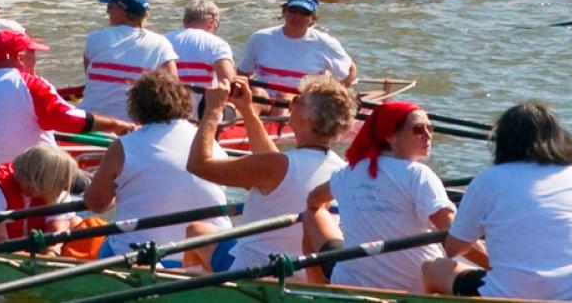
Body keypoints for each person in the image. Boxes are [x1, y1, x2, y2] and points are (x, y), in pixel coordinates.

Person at [422, 102, 572, 302]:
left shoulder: (489, 180)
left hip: (511, 296)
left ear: (503, 142)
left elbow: (453, 249)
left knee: (433, 268)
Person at [185, 76, 355, 275]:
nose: (290, 106)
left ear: (310, 117)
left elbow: (198, 165)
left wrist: (212, 110)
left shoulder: (277, 166)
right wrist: (246, 109)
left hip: (251, 271)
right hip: (302, 275)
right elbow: (272, 162)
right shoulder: (342, 169)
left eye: (296, 101)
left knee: (195, 233)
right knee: (200, 232)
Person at [303, 101, 470, 289]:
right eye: (418, 130)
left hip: (350, 283)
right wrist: (491, 266)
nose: (428, 135)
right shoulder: (418, 174)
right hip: (416, 287)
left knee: (310, 214)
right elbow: (456, 235)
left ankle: (316, 288)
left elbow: (313, 200)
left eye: (430, 128)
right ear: (390, 136)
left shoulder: (349, 171)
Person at [85, 69, 230, 260]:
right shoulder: (209, 142)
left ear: (136, 107)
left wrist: (120, 190)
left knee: (98, 234)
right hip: (207, 257)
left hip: (138, 255)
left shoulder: (122, 146)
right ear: (185, 101)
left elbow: (96, 204)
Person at [0, 28, 135, 180]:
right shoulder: (30, 84)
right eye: (32, 52)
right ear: (19, 57)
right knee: (108, 185)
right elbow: (69, 120)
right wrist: (118, 125)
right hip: (30, 178)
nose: (36, 59)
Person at [0, 144, 81, 246]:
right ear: (40, 179)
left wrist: (51, 253)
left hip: (30, 247)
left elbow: (57, 227)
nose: (63, 186)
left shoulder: (55, 189)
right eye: (60, 181)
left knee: (76, 223)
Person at [237, 0, 357, 96]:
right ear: (284, 12)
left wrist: (337, 95)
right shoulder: (260, 38)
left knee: (284, 96)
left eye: (304, 12)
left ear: (313, 18)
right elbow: (243, 73)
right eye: (293, 10)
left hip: (304, 103)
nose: (297, 17)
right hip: (264, 99)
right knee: (258, 93)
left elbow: (351, 69)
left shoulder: (325, 43)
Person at [83, 0, 178, 120]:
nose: (107, 12)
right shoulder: (161, 43)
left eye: (110, 8)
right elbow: (173, 85)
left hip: (91, 118)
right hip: (133, 121)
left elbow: (88, 75)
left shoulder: (93, 38)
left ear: (122, 12)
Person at [166, 0, 235, 92]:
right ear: (211, 21)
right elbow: (229, 83)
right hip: (207, 105)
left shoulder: (163, 40)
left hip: (169, 104)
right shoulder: (217, 44)